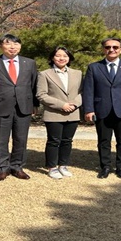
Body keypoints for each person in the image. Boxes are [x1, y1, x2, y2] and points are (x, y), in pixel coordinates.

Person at [0, 34, 38, 181]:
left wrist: (35, 104)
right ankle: (2, 168)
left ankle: (17, 166)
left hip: (24, 106)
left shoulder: (29, 63)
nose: (13, 47)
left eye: (16, 44)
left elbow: (34, 85)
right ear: (1, 46)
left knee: (21, 139)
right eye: (8, 44)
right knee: (0, 139)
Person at [83, 37, 121, 179]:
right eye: (108, 47)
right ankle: (105, 167)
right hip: (101, 109)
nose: (111, 50)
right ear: (103, 49)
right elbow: (89, 90)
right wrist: (89, 109)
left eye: (115, 47)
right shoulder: (94, 67)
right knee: (104, 141)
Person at [36, 47, 83, 179]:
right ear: (52, 58)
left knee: (67, 141)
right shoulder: (45, 74)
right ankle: (52, 167)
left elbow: (83, 92)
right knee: (53, 141)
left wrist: (74, 104)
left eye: (65, 56)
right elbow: (41, 95)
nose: (61, 58)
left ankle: (63, 165)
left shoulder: (77, 73)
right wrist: (62, 105)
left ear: (69, 58)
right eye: (58, 56)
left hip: (73, 112)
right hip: (54, 113)